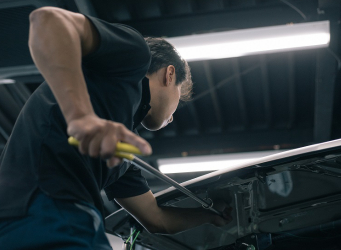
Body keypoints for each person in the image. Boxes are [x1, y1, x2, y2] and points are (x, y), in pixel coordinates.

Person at [0, 7, 232, 249]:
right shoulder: (134, 55)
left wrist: (210, 216)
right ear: (169, 75)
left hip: (50, 216)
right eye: (179, 101)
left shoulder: (120, 152)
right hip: (46, 209)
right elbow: (47, 20)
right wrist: (81, 116)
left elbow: (156, 219)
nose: (172, 118)